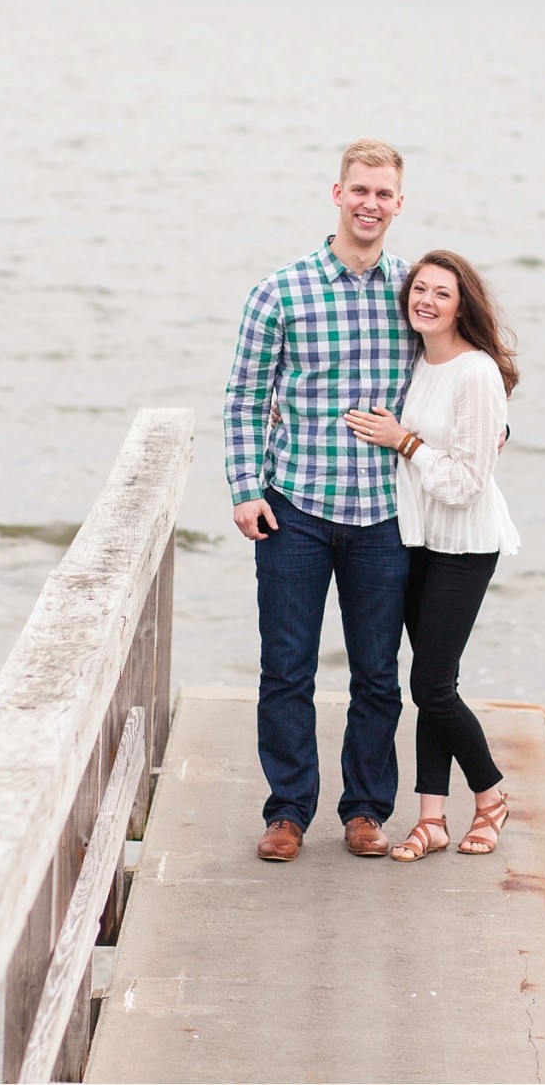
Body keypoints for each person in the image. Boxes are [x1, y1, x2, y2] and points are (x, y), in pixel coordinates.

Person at [224, 139, 416, 862]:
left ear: (399, 204)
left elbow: (469, 365)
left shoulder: (414, 289)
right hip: (295, 507)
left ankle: (365, 810)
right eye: (359, 190)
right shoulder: (282, 290)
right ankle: (287, 812)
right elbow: (245, 398)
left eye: (384, 194)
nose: (370, 204)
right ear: (336, 194)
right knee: (287, 666)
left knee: (376, 672)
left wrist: (491, 427)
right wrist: (245, 490)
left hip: (384, 514)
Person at [343, 250, 521, 861]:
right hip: (416, 539)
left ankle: (491, 793)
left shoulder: (476, 372)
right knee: (435, 682)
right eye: (420, 289)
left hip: (463, 545)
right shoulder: (419, 361)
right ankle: (432, 819)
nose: (426, 300)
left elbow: (466, 482)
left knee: (430, 685)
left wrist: (404, 441)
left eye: (441, 293)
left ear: (462, 304)